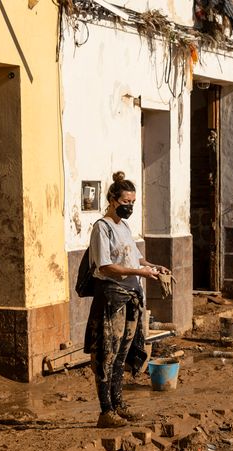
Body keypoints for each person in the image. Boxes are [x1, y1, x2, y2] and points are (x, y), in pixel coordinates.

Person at [85, 172, 170, 428]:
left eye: (132, 202)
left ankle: (119, 404)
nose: (129, 207)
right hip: (112, 298)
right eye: (125, 202)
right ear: (112, 200)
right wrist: (139, 272)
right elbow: (106, 266)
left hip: (132, 296)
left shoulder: (124, 227)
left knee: (122, 353)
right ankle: (105, 411)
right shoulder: (103, 227)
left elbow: (133, 257)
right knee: (107, 355)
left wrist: (152, 266)